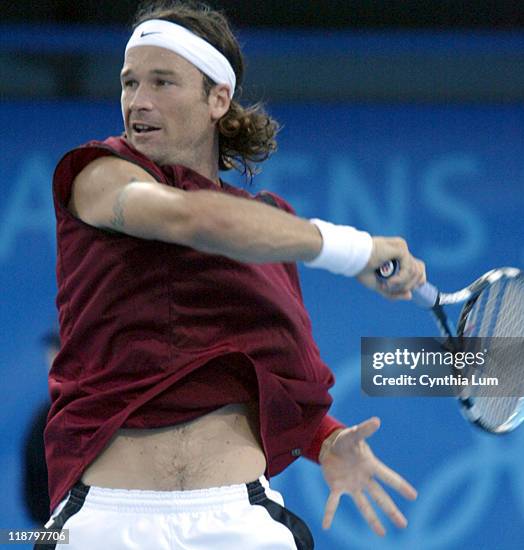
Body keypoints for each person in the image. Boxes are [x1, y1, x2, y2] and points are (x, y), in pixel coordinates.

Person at [40, 2, 426, 548]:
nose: (137, 101)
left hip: (239, 520)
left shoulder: (267, 228)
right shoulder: (97, 175)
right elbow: (191, 218)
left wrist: (328, 440)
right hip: (105, 520)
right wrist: (354, 250)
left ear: (217, 98)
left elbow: (265, 368)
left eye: (162, 81)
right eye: (129, 83)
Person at [23, 331, 60, 526]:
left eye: (61, 350)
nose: (53, 359)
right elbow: (35, 505)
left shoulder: (112, 416)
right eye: (53, 350)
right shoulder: (41, 425)